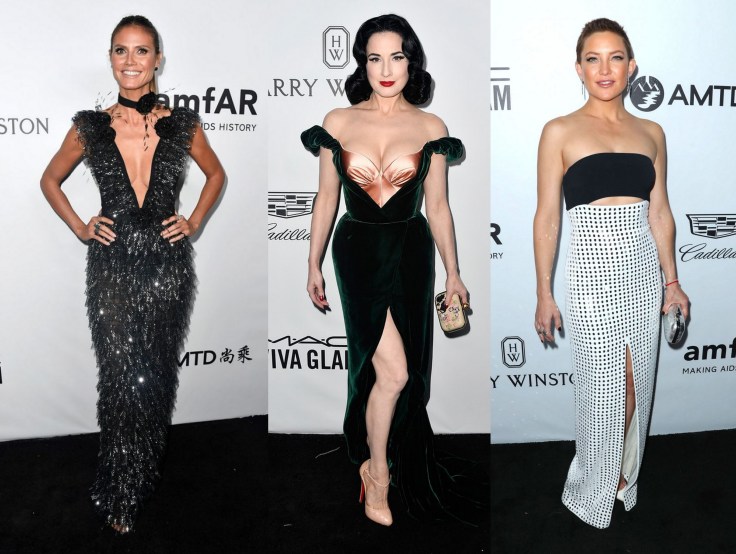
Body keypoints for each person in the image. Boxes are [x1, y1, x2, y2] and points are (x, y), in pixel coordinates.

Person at [40, 15, 225, 533]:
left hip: (168, 266)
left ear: (157, 59)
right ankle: (120, 484)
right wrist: (81, 226)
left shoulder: (183, 124)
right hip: (113, 266)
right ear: (110, 58)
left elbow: (216, 174)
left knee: (155, 374)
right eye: (121, 50)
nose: (130, 61)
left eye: (141, 51)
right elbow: (50, 179)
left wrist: (193, 220)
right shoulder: (90, 126)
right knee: (121, 375)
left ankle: (143, 470)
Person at [301, 14, 470, 526]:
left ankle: (385, 460)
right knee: (390, 371)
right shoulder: (338, 121)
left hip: (411, 251)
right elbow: (326, 198)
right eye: (375, 58)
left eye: (397, 56)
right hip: (357, 251)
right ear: (363, 65)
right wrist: (312, 261)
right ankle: (377, 474)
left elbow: (437, 207)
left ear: (411, 61)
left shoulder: (430, 127)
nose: (387, 69)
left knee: (403, 372)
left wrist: (453, 273)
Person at [533, 18, 689, 529]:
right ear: (579, 68)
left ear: (631, 66)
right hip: (592, 275)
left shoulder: (652, 132)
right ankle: (592, 483)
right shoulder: (559, 130)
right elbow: (547, 217)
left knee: (637, 383)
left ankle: (623, 477)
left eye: (615, 57)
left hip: (643, 275)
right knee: (605, 388)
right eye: (593, 59)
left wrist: (672, 281)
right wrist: (543, 292)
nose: (605, 68)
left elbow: (660, 212)